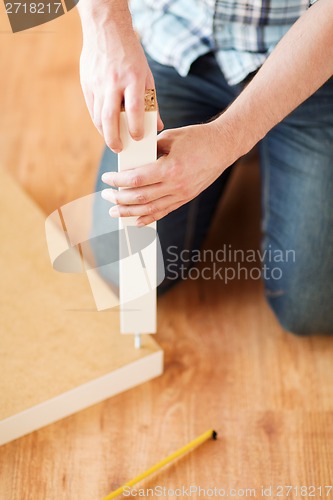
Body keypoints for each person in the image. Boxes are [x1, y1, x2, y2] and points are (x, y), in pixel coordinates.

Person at [77, 0, 333, 336]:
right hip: (176, 37)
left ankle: (251, 139)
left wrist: (228, 139)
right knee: (127, 270)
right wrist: (105, 23)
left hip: (309, 59)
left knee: (311, 308)